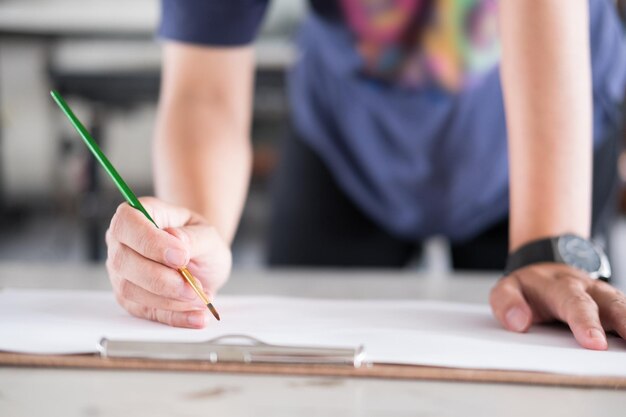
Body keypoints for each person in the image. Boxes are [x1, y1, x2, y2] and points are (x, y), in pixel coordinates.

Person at [104, 0, 626, 350]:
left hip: (541, 131)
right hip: (348, 137)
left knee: (547, 334)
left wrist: (547, 251)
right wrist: (193, 238)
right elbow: (205, 87)